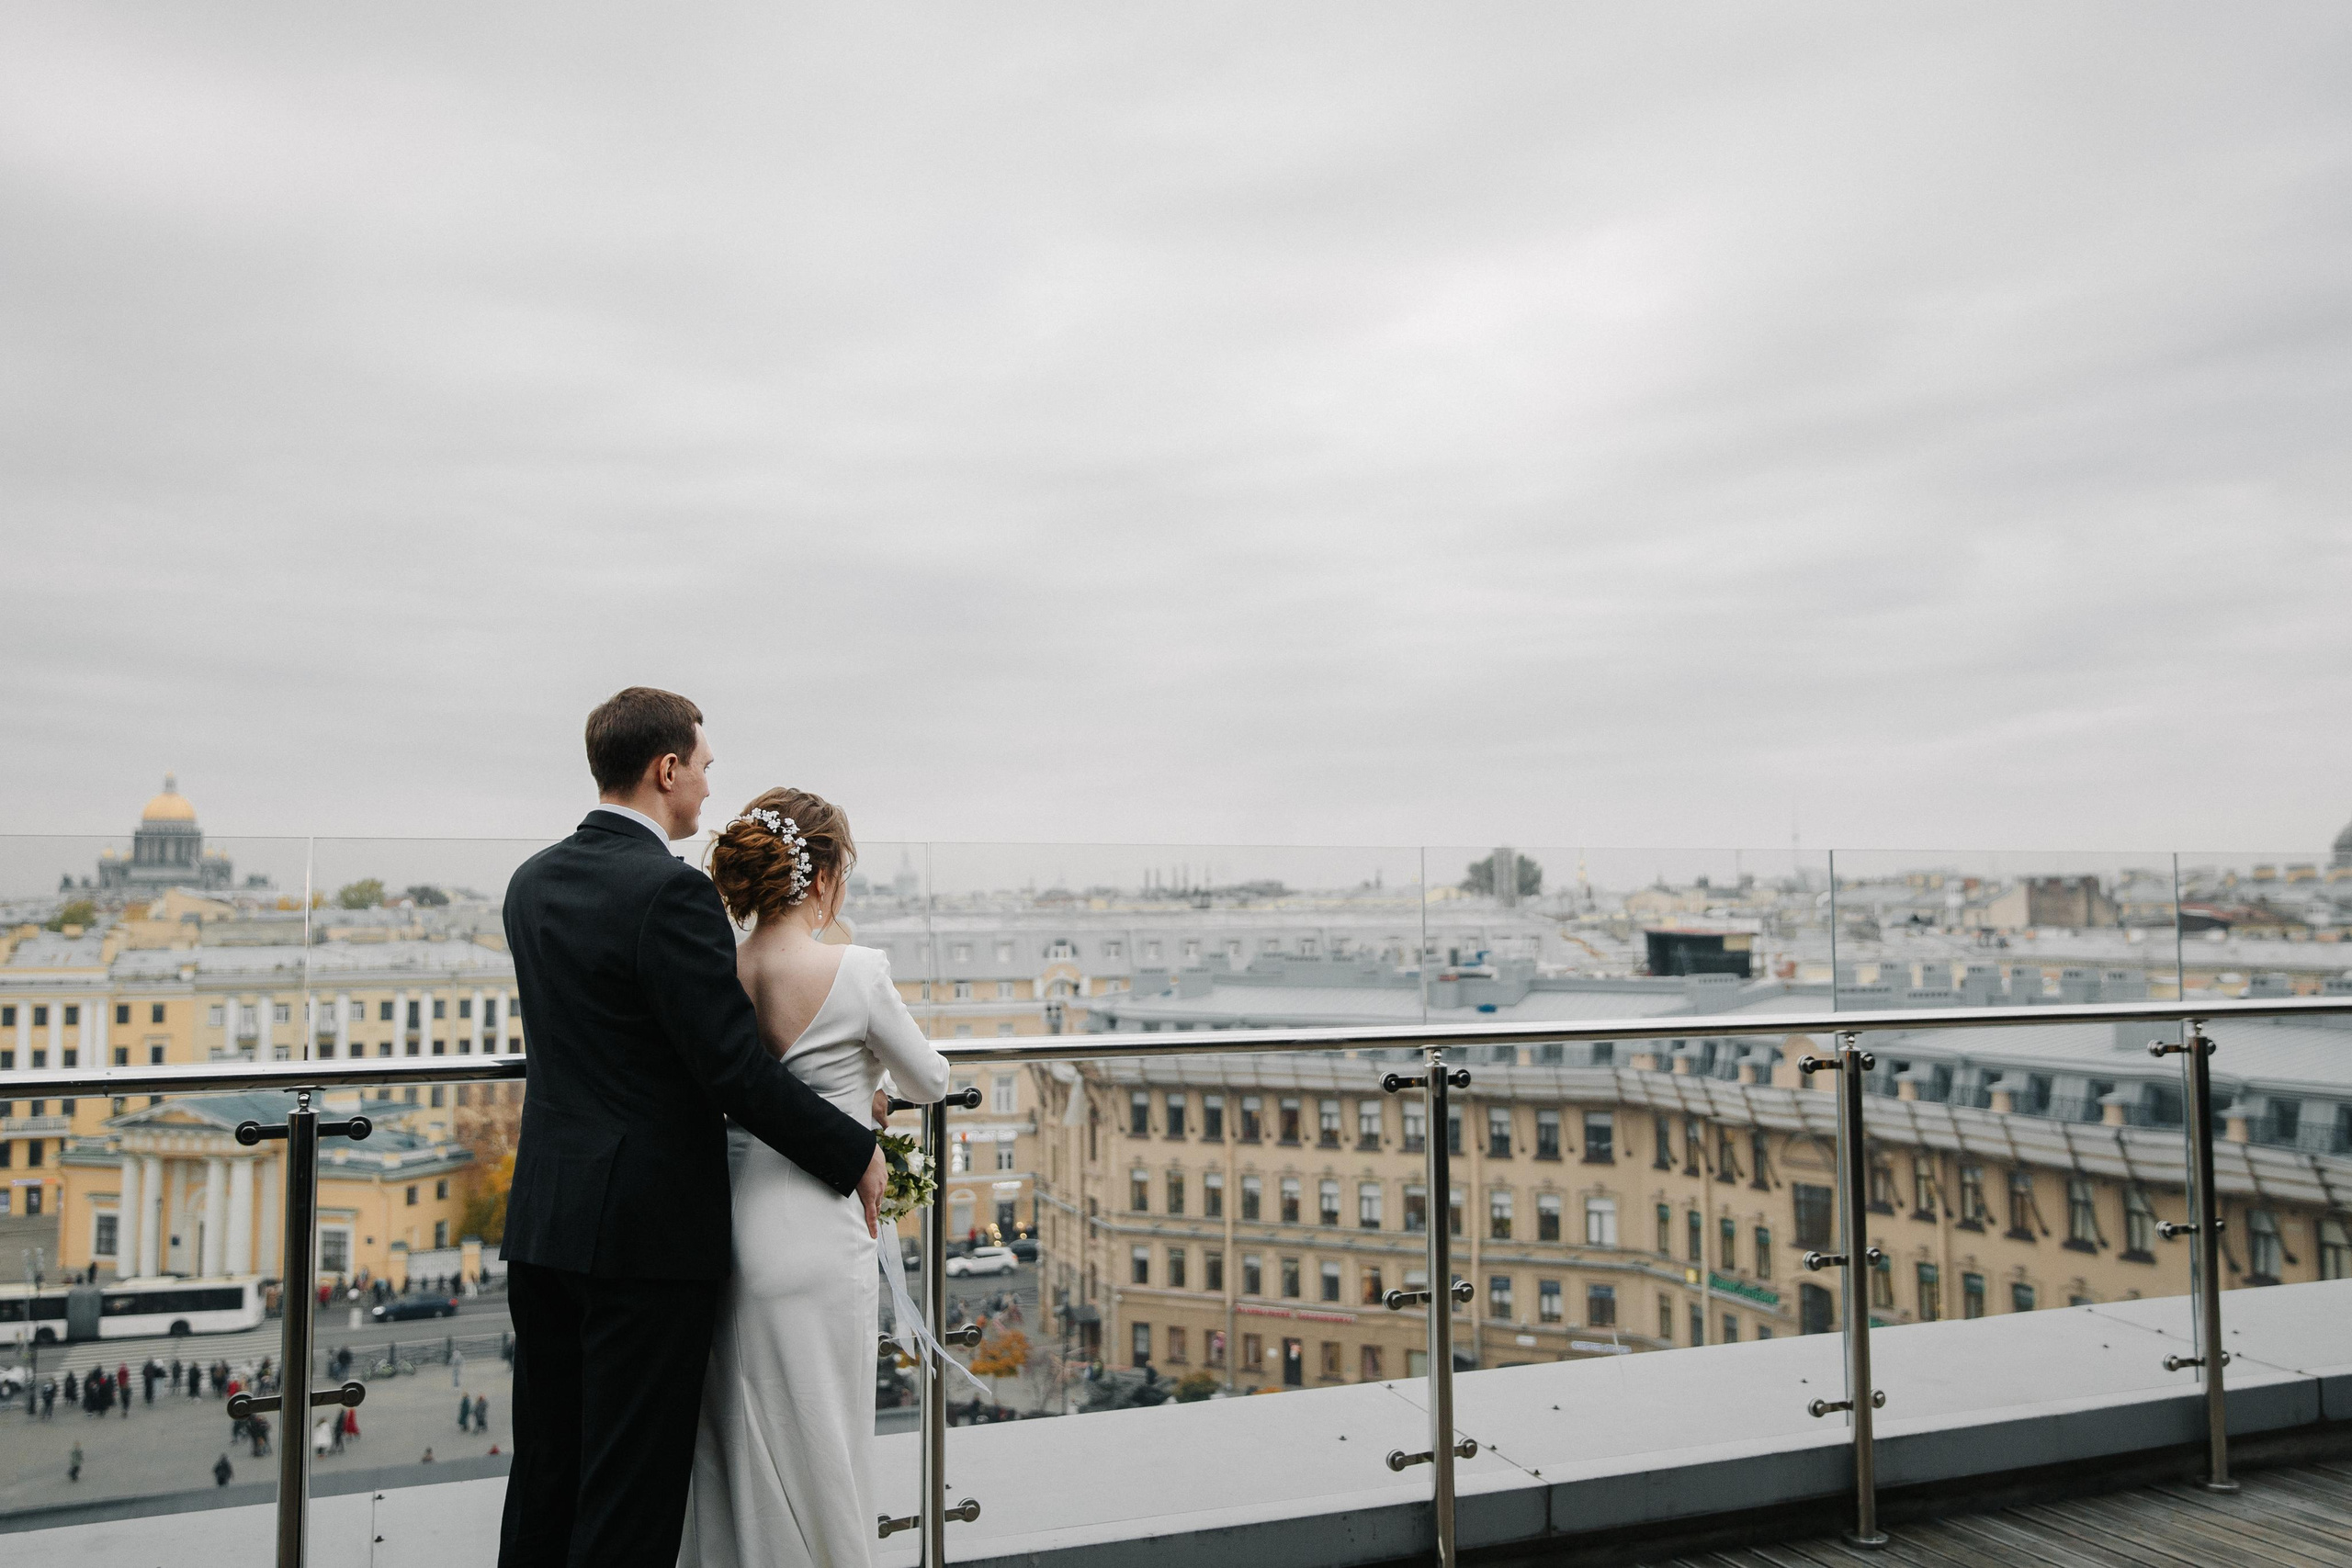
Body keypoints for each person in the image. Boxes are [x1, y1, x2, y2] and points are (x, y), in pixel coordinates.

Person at [496, 690, 886, 1568]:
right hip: (643, 1240)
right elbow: (733, 1069)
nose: (710, 787)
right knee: (628, 1498)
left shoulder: (532, 881)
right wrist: (853, 1149)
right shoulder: (670, 892)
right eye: (704, 767)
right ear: (665, 769)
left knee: (548, 1476)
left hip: (546, 1222)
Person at [679, 785, 951, 1568]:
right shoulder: (855, 970)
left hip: (733, 1220)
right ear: (824, 876)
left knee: (742, 1436)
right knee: (828, 1433)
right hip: (823, 1225)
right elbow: (931, 1078)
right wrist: (873, 1086)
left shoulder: (725, 969)